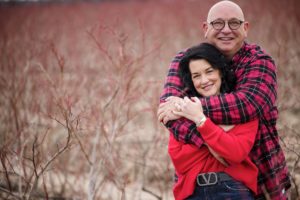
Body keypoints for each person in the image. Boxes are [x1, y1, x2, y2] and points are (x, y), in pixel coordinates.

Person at [157, 1, 291, 199]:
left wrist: (194, 111)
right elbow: (169, 114)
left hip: (261, 175)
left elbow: (247, 105)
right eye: (218, 23)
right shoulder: (185, 61)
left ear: (245, 28)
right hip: (195, 184)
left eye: (234, 23)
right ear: (206, 28)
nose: (226, 30)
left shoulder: (259, 62)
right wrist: (217, 142)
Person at [168, 42, 259, 200]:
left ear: (221, 72)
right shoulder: (184, 108)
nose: (204, 80)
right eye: (196, 76)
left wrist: (201, 120)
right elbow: (180, 160)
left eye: (209, 71)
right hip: (192, 192)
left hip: (232, 189)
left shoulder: (242, 108)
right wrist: (221, 136)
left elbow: (235, 153)